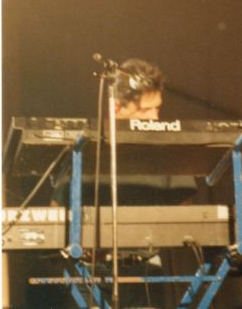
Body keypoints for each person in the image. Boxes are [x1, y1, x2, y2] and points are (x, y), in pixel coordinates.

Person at [45, 58, 196, 308]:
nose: (155, 118)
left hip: (146, 270)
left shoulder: (166, 154)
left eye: (157, 108)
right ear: (116, 107)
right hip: (90, 273)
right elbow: (55, 216)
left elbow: (189, 215)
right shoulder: (86, 152)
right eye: (146, 110)